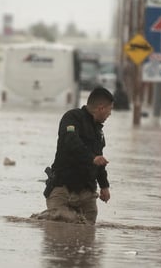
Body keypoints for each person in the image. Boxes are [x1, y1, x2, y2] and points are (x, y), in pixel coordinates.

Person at [36, 87, 114, 225]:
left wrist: (104, 186)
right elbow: (70, 141)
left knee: (88, 233)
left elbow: (100, 161)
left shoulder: (99, 132)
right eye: (109, 110)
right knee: (57, 225)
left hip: (86, 191)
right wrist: (91, 158)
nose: (110, 114)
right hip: (62, 186)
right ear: (101, 108)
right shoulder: (72, 117)